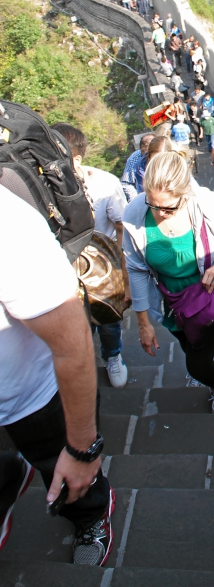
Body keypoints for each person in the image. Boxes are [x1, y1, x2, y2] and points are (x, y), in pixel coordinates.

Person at [0, 185, 114, 565]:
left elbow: (74, 345)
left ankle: (91, 514)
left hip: (31, 397)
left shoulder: (8, 223)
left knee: (68, 479)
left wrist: (83, 450)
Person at [122, 151, 214, 413]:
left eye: (168, 207)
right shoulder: (134, 212)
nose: (160, 213)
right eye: (153, 205)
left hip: (206, 295)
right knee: (187, 343)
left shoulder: (205, 203)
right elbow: (137, 269)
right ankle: (200, 371)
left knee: (196, 362)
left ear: (185, 194)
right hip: (170, 300)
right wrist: (143, 324)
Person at [52, 124, 130, 389]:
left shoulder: (106, 184)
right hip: (64, 272)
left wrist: (123, 274)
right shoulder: (45, 187)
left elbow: (121, 228)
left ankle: (113, 356)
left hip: (102, 270)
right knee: (75, 325)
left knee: (107, 321)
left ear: (76, 159)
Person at [121, 133, 155, 202]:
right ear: (141, 149)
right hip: (140, 196)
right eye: (144, 152)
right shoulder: (135, 158)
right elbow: (127, 183)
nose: (147, 157)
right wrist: (136, 201)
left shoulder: (163, 156)